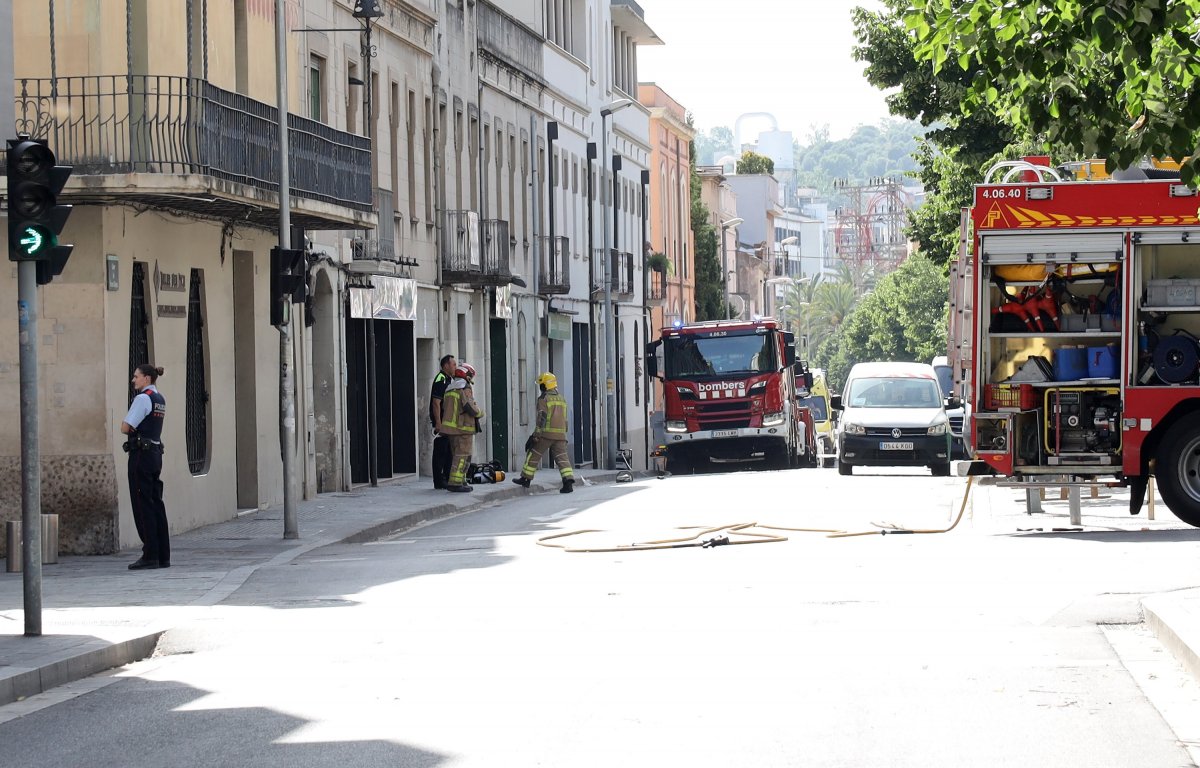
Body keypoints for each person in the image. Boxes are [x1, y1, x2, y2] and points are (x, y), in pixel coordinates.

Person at [121, 364, 170, 570]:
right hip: (155, 454)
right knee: (156, 503)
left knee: (142, 504)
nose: (133, 380)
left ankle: (150, 554)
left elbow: (125, 427)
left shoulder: (143, 398)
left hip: (141, 454)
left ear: (147, 379)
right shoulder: (160, 399)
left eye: (136, 376)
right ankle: (162, 554)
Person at [512, 372, 575, 493]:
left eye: (541, 385)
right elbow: (565, 418)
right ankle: (568, 481)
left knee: (533, 454)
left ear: (545, 385)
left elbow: (542, 417)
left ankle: (526, 478)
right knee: (562, 458)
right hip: (561, 435)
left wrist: (536, 435)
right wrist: (564, 433)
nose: (541, 387)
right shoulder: (561, 398)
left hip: (546, 434)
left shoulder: (543, 398)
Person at [439, 362, 484, 493]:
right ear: (466, 374)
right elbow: (469, 407)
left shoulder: (449, 387)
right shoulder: (465, 387)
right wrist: (480, 412)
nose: (471, 378)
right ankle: (455, 482)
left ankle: (461, 480)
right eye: (470, 375)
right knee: (463, 456)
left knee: (457, 455)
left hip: (451, 430)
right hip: (463, 428)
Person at [429, 354, 456, 489]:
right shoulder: (441, 379)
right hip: (442, 423)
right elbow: (436, 402)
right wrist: (438, 423)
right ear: (446, 365)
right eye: (453, 364)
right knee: (440, 452)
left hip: (448, 423)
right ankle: (439, 481)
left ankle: (446, 477)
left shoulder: (449, 380)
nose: (455, 367)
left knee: (448, 452)